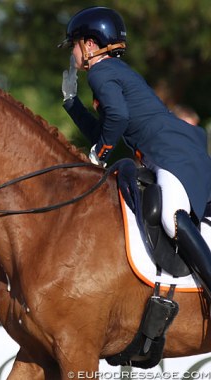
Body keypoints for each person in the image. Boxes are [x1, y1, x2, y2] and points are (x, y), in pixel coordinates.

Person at [58, 6, 211, 297]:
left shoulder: (101, 74)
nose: (73, 53)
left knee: (171, 216)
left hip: (171, 153)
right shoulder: (110, 72)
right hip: (170, 149)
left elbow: (118, 120)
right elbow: (106, 128)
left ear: (89, 45)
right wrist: (71, 103)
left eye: (74, 45)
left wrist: (98, 155)